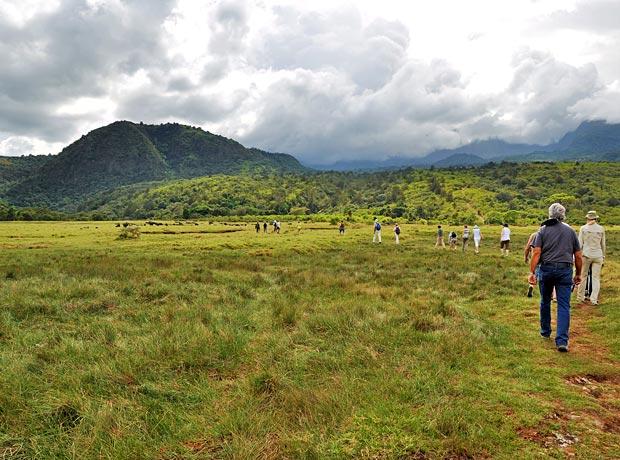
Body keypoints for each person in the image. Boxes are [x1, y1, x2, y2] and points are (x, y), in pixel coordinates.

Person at [529, 203, 582, 352]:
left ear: (550, 214)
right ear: (563, 215)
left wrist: (532, 272)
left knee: (545, 300)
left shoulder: (542, 230)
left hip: (546, 269)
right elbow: (578, 255)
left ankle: (545, 331)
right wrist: (578, 273)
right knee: (564, 305)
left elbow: (536, 253)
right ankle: (562, 341)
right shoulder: (570, 231)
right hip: (565, 270)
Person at [577, 211, 606, 306]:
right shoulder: (601, 229)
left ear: (588, 218)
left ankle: (580, 297)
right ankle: (594, 299)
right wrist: (603, 256)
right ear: (596, 218)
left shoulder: (583, 228)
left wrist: (577, 256)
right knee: (596, 278)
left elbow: (580, 244)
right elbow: (603, 245)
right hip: (598, 255)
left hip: (586, 254)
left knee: (583, 276)